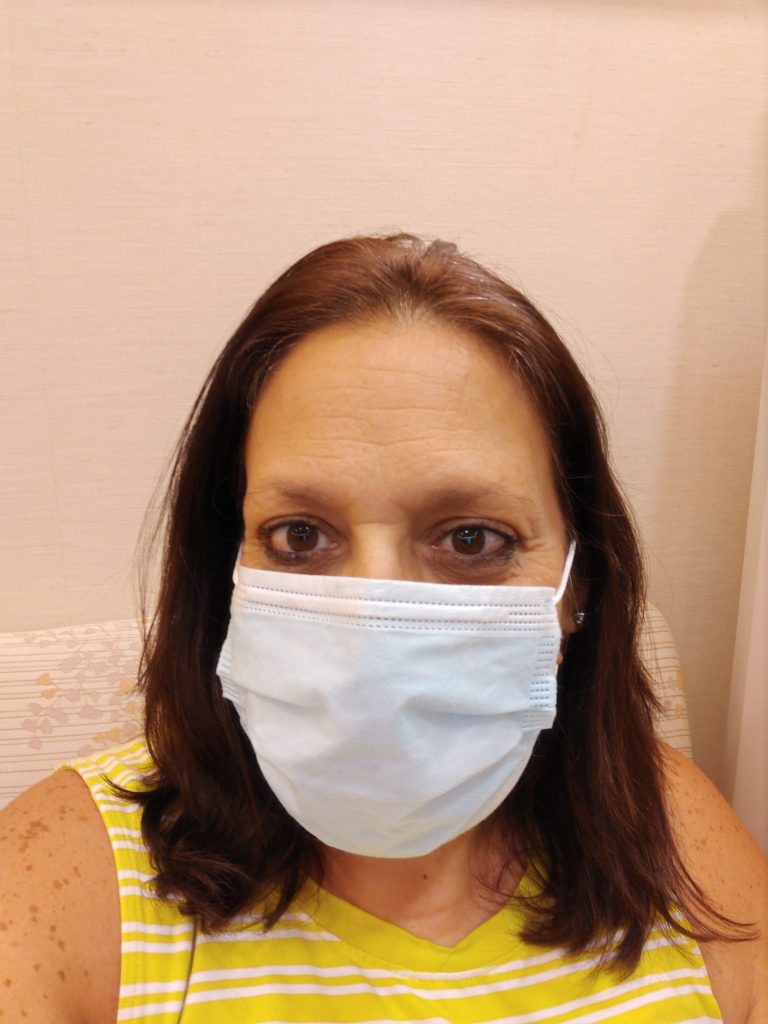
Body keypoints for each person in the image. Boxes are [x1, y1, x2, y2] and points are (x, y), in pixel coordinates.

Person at [0, 234, 765, 1024]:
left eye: (471, 538)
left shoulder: (662, 823)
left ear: (577, 588)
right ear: (225, 572)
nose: (371, 619)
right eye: (300, 536)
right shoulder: (68, 876)